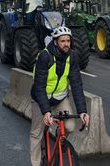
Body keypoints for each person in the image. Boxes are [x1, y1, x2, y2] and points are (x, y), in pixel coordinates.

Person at [29, 26, 89, 166]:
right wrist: (46, 111)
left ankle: (57, 140)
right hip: (40, 99)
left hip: (60, 99)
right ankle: (36, 163)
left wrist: (82, 111)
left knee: (69, 127)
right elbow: (39, 87)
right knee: (36, 133)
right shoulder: (45, 56)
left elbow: (76, 85)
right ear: (55, 42)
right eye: (62, 41)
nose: (66, 44)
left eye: (68, 41)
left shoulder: (72, 56)